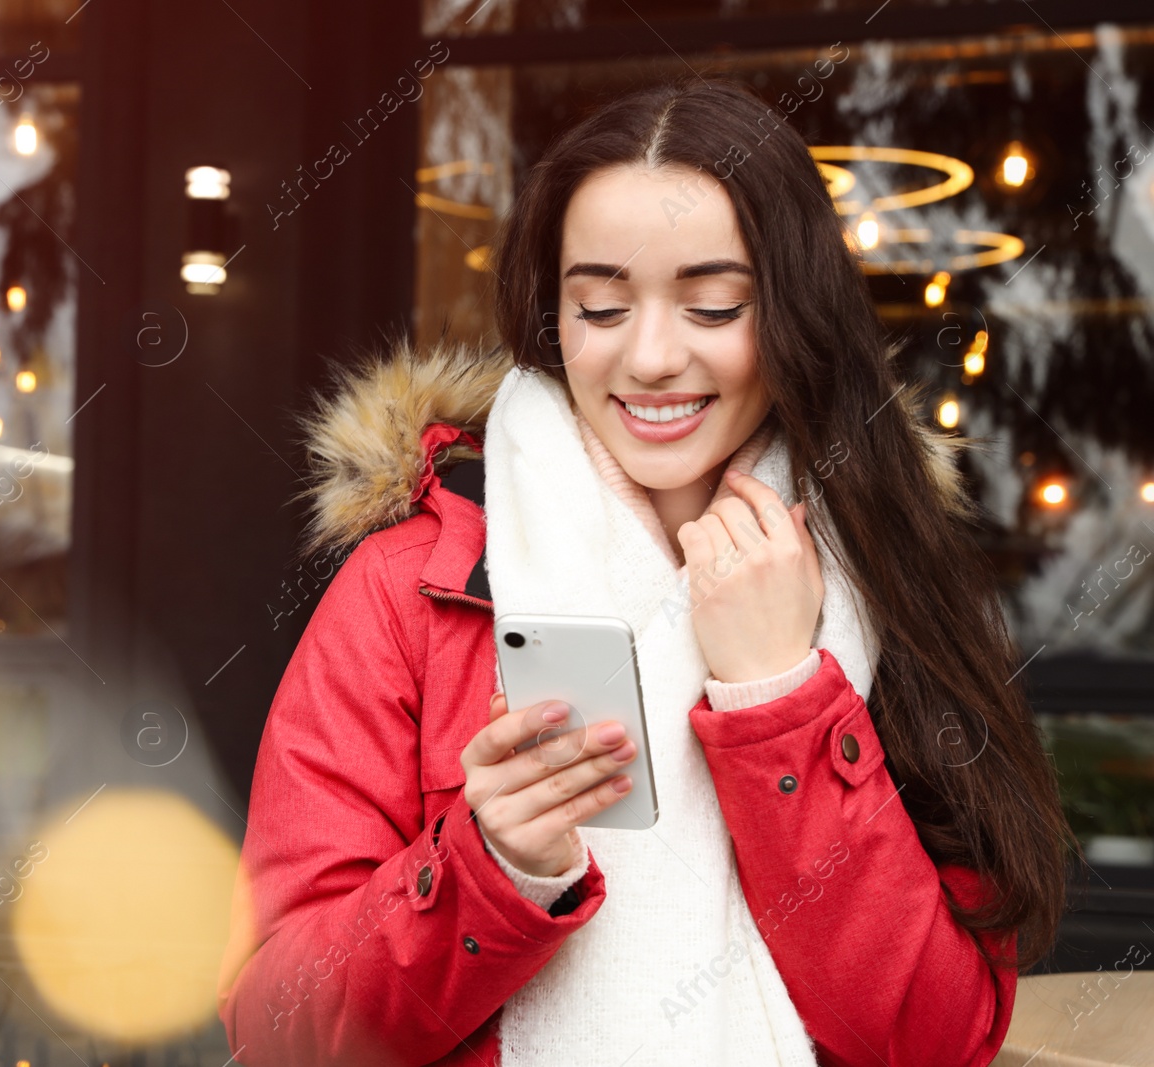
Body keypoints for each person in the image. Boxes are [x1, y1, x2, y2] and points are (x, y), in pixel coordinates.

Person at [216, 77, 1070, 1067]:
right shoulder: (407, 588)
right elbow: (276, 1029)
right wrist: (487, 870)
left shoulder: (893, 580)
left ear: (797, 314)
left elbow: (933, 1039)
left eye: (712, 305)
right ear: (552, 317)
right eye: (601, 304)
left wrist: (779, 696)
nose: (650, 355)